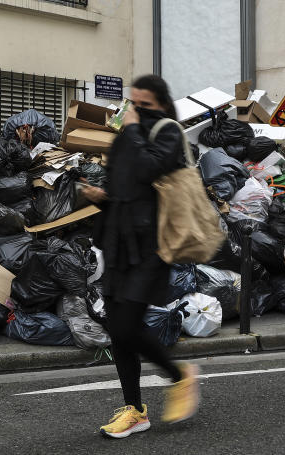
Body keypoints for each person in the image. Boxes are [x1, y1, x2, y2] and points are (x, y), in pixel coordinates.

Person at [81, 74, 200, 439]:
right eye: (133, 103)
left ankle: (180, 377)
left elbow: (151, 169)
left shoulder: (166, 132)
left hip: (152, 246)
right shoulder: (128, 135)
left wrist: (131, 130)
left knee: (124, 326)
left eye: (144, 104)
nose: (135, 110)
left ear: (161, 105)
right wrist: (103, 196)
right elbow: (125, 182)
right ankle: (135, 410)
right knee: (119, 332)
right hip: (119, 242)